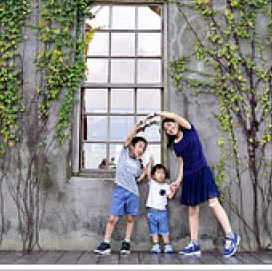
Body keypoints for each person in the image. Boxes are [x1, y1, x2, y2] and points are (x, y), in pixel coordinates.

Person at [146, 110, 241, 257]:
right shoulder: (176, 145)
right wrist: (178, 180)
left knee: (213, 203)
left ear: (176, 123)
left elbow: (175, 116)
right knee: (192, 210)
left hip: (202, 171)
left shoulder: (190, 130)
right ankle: (194, 244)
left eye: (170, 125)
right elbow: (183, 163)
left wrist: (156, 113)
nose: (170, 129)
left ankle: (231, 236)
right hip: (189, 177)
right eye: (167, 129)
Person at [93, 119, 149, 256]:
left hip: (133, 193)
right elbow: (129, 137)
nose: (141, 150)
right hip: (120, 190)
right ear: (132, 146)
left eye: (144, 148)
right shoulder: (124, 153)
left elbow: (138, 179)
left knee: (130, 218)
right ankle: (106, 243)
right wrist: (137, 125)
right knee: (113, 218)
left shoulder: (138, 164)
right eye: (140, 146)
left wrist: (147, 168)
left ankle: (126, 242)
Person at [144, 161, 175, 253]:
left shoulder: (166, 186)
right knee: (153, 230)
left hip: (162, 212)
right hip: (152, 212)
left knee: (164, 228)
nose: (161, 175)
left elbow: (170, 196)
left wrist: (173, 190)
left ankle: (167, 245)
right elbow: (148, 175)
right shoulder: (152, 183)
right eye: (158, 173)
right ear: (154, 176)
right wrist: (150, 163)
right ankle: (156, 245)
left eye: (162, 173)